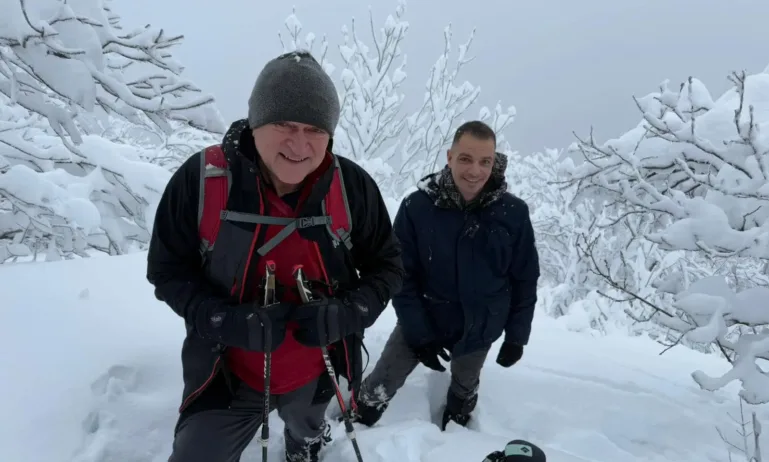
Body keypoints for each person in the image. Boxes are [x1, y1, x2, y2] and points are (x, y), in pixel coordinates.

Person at [146, 50, 403, 462]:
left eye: (315, 129)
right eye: (284, 124)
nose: (299, 144)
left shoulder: (351, 188)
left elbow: (388, 266)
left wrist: (349, 312)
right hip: (226, 376)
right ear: (255, 122)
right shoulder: (202, 181)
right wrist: (222, 320)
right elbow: (167, 271)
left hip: (317, 371)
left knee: (306, 427)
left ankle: (303, 445)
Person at [349, 120, 540, 431]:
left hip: (480, 326)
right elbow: (401, 275)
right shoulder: (417, 206)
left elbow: (524, 278)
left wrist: (517, 337)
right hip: (423, 317)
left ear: (495, 162)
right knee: (382, 381)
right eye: (465, 159)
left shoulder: (513, 213)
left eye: (485, 161)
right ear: (449, 157)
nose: (475, 171)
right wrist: (419, 335)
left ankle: (457, 422)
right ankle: (359, 419)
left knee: (465, 384)